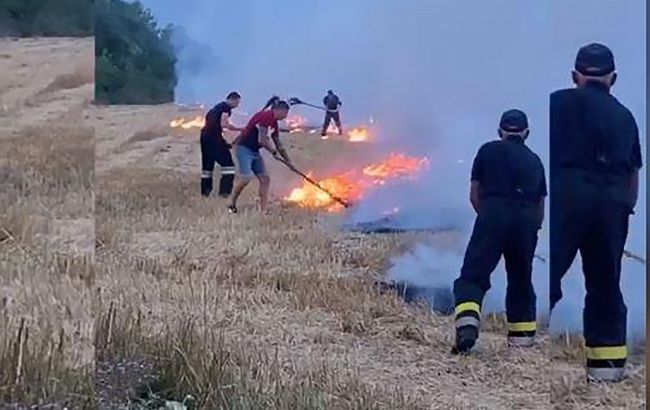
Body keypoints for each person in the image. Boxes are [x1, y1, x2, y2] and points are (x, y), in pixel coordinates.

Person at [549, 43, 642, 383]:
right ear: (613, 78)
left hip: (568, 199)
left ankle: (525, 340)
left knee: (548, 274)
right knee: (605, 286)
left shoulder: (557, 104)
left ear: (575, 76)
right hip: (612, 205)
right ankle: (607, 372)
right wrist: (622, 211)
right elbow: (633, 175)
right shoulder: (626, 117)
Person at [452, 109, 546, 355]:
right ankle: (521, 345)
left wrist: (488, 218)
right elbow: (540, 205)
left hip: (493, 216)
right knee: (521, 280)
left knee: (472, 276)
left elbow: (475, 193)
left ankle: (467, 328)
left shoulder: (487, 151)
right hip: (526, 222)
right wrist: (531, 230)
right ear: (526, 133)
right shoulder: (535, 161)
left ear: (499, 131)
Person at [228, 100, 292, 214]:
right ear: (279, 110)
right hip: (244, 148)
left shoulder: (274, 123)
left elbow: (279, 144)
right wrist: (273, 152)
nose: (286, 116)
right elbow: (262, 140)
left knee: (265, 179)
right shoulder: (266, 116)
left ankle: (263, 210)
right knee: (246, 178)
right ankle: (231, 203)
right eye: (285, 113)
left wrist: (288, 161)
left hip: (255, 151)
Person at [200, 92, 244, 197]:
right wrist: (240, 129)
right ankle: (224, 193)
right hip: (214, 138)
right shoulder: (226, 108)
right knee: (228, 166)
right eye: (237, 103)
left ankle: (205, 192)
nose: (237, 105)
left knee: (207, 167)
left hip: (205, 137)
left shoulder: (216, 108)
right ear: (232, 99)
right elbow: (224, 124)